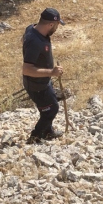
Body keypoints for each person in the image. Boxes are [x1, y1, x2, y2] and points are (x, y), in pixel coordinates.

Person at [22, 7, 65, 143]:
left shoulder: (32, 28)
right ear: (51, 24)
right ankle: (35, 137)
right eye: (57, 25)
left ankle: (48, 131)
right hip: (36, 84)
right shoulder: (35, 42)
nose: (57, 28)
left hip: (43, 81)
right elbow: (26, 69)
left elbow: (24, 38)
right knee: (51, 109)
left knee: (49, 104)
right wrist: (52, 72)